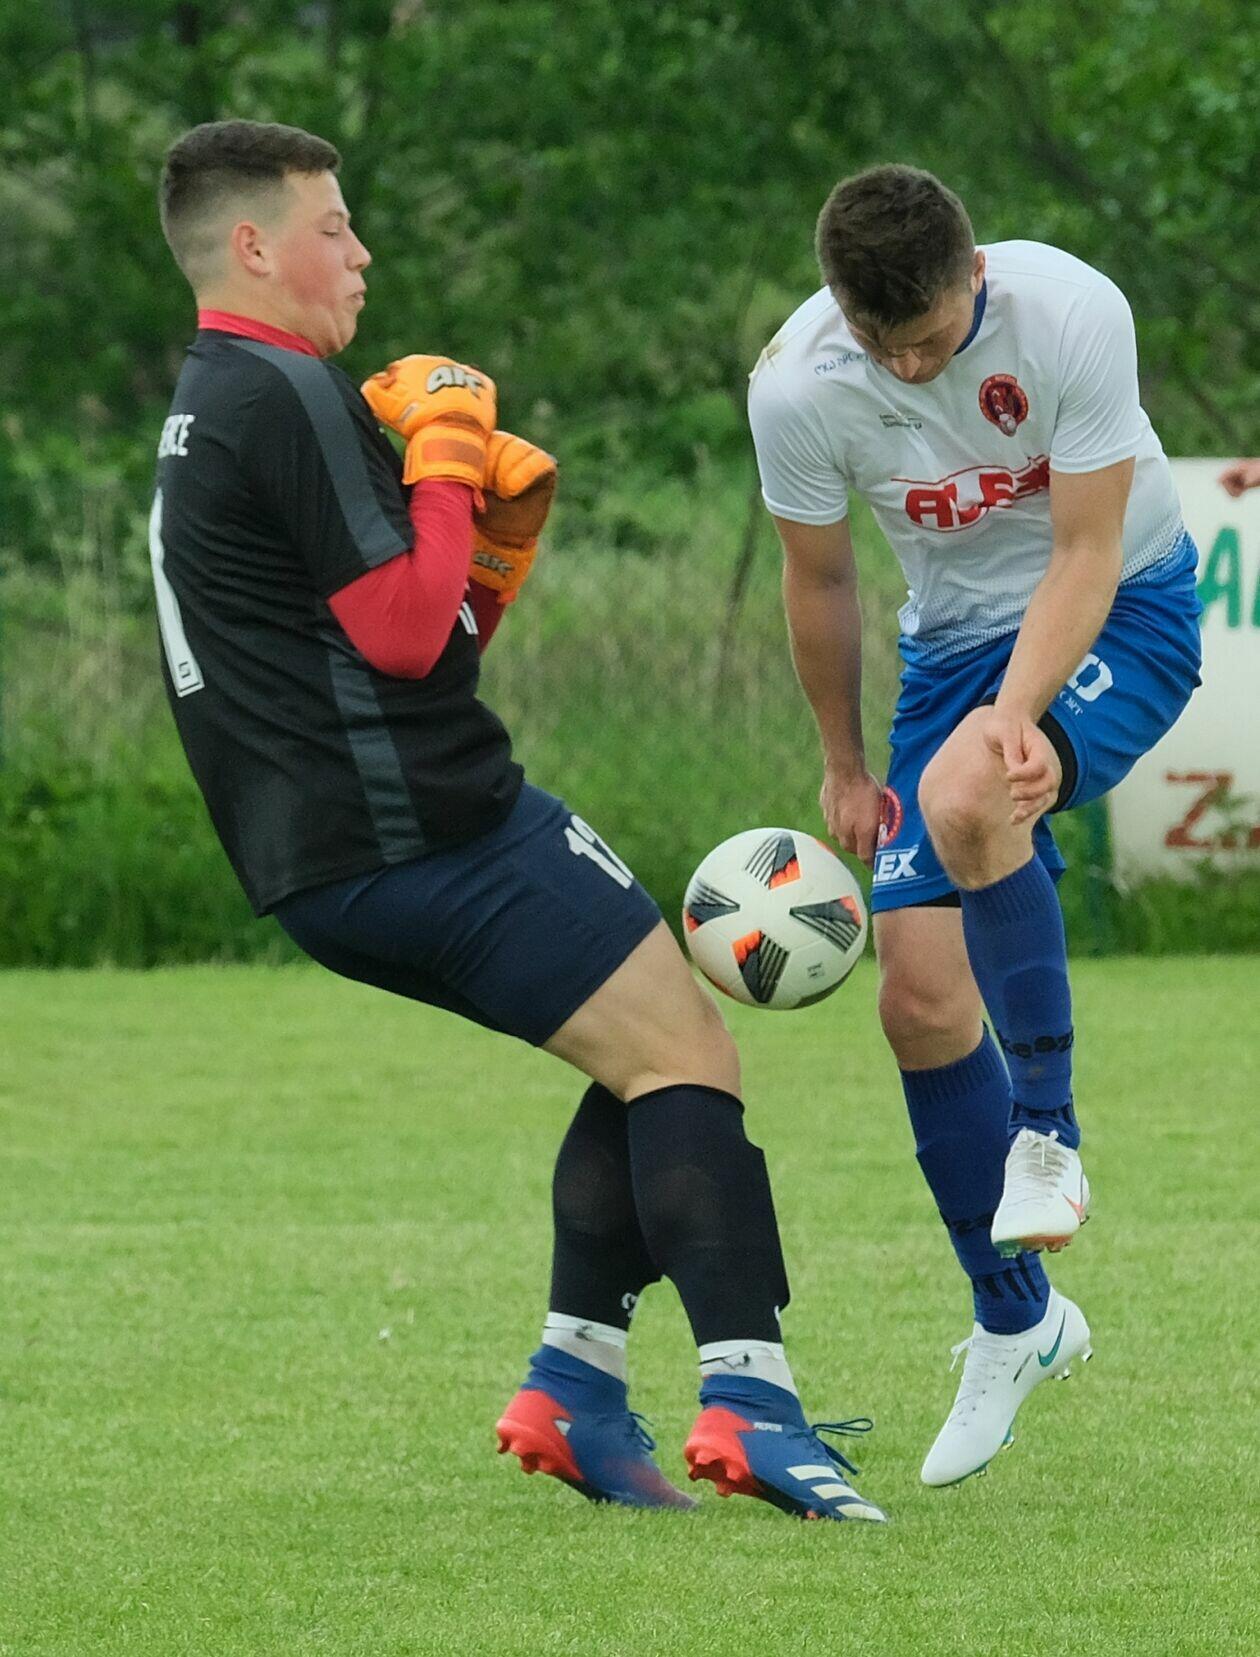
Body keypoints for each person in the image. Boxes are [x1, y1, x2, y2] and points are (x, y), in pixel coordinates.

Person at [151, 119, 885, 1524]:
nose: (361, 252)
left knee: (644, 1050)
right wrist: (441, 458)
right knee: (686, 1056)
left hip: (335, 849)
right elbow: (402, 636)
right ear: (253, 246)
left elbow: (424, 634)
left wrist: (485, 546)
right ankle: (752, 1403)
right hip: (424, 829)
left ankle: (576, 1388)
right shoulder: (285, 393)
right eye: (332, 227)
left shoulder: (219, 394)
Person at [748, 164, 1201, 1487]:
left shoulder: (1070, 310)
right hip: (949, 653)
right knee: (917, 1001)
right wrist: (843, 761)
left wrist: (1010, 722)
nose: (906, 365)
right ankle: (1020, 1323)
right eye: (880, 343)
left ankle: (1048, 1136)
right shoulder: (796, 383)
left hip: (1124, 607)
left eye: (931, 339)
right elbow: (820, 578)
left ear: (975, 277)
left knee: (965, 792)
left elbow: (1085, 552)